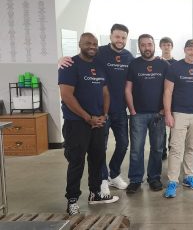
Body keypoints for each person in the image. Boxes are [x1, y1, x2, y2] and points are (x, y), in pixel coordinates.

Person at [59, 24, 134, 195]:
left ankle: (114, 175)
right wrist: (61, 59)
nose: (120, 40)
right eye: (117, 36)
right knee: (99, 150)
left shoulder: (129, 57)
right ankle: (102, 180)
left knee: (123, 144)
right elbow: (80, 58)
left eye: (123, 37)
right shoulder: (99, 52)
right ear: (111, 36)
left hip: (119, 109)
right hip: (99, 111)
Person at [58, 33, 119, 215]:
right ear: (80, 44)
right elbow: (67, 96)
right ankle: (72, 200)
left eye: (94, 44)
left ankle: (95, 193)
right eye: (88, 43)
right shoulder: (69, 65)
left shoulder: (99, 66)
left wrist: (104, 115)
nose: (92, 46)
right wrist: (87, 117)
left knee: (97, 159)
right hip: (77, 123)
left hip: (98, 122)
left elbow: (105, 92)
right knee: (76, 162)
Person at [163, 39, 193, 198]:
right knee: (176, 148)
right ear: (184, 50)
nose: (192, 52)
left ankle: (188, 177)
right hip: (179, 113)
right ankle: (172, 181)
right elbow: (168, 92)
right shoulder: (174, 67)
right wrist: (168, 114)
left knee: (191, 147)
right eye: (189, 49)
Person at [125, 34, 169, 194]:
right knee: (136, 149)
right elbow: (128, 89)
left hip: (158, 114)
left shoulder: (163, 65)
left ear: (154, 45)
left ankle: (154, 178)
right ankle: (135, 179)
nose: (147, 48)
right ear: (139, 47)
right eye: (143, 45)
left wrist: (165, 109)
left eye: (149, 44)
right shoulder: (134, 64)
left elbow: (169, 89)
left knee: (157, 148)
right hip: (138, 114)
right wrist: (132, 110)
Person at [159, 37, 177, 160]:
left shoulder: (177, 63)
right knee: (161, 129)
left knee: (174, 128)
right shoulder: (157, 62)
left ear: (172, 47)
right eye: (164, 45)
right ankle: (162, 151)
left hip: (175, 99)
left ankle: (172, 150)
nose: (166, 47)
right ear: (160, 47)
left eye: (169, 44)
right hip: (160, 100)